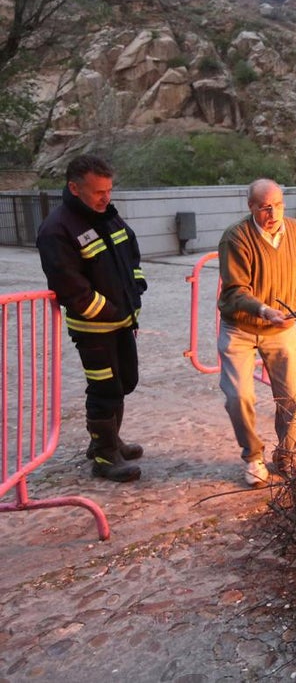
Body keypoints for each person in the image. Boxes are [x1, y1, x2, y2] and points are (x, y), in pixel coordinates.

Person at [36, 154, 146, 482]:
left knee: (125, 381)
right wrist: (111, 310)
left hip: (122, 322)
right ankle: (103, 456)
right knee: (104, 389)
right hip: (93, 329)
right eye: (99, 191)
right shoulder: (57, 228)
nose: (106, 198)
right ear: (74, 188)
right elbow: (70, 286)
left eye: (109, 190)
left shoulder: (107, 217)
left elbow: (132, 254)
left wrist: (135, 288)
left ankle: (111, 440)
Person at [217, 179, 296, 487]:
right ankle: (253, 457)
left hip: (282, 327)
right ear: (251, 207)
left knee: (292, 396)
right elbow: (234, 292)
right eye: (264, 207)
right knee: (238, 396)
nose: (272, 213)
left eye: (278, 205)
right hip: (241, 327)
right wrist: (263, 310)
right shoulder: (236, 237)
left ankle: (287, 454)